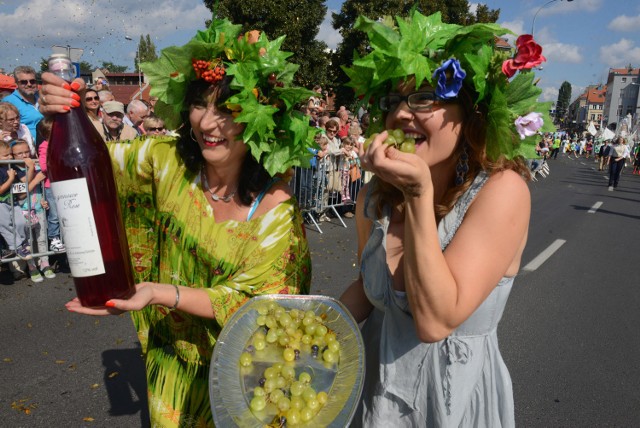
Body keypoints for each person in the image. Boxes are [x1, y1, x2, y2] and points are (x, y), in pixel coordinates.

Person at [38, 17, 315, 427]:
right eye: (200, 103)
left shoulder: (274, 209)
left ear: (264, 118)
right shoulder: (163, 160)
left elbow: (260, 306)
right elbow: (83, 164)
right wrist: (60, 113)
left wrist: (158, 292)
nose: (206, 123)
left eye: (228, 108)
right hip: (169, 368)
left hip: (243, 380)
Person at [339, 11, 550, 427]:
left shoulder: (501, 192)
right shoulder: (373, 197)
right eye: (393, 101)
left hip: (452, 403)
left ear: (470, 113)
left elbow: (436, 320)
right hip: (374, 400)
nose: (401, 114)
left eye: (423, 97)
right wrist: (309, 328)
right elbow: (370, 288)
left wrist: (418, 193)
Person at [11, 139, 56, 282]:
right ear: (12, 155)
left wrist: (43, 200)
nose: (24, 155)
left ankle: (45, 264)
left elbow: (39, 189)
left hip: (38, 209)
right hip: (23, 212)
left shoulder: (36, 167)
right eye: (19, 153)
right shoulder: (13, 172)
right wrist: (35, 177)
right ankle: (32, 267)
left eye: (26, 151)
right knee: (28, 243)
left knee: (41, 239)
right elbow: (22, 194)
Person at [36, 118, 65, 253]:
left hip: (63, 183)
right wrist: (59, 163)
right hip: (50, 185)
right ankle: (54, 238)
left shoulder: (62, 144)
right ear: (46, 134)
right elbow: (43, 166)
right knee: (54, 214)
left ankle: (64, 237)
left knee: (64, 213)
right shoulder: (44, 146)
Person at [0, 139, 32, 260]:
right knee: (5, 225)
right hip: (1, 203)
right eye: (6, 155)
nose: (10, 157)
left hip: (13, 201)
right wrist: (10, 178)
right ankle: (16, 247)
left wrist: (31, 168)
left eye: (10, 154)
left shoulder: (11, 165)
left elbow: (25, 181)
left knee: (21, 222)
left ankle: (23, 243)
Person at [3, 66, 45, 140]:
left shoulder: (43, 97)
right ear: (16, 84)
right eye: (23, 82)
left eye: (32, 81)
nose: (29, 84)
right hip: (26, 149)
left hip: (48, 145)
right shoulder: (8, 102)